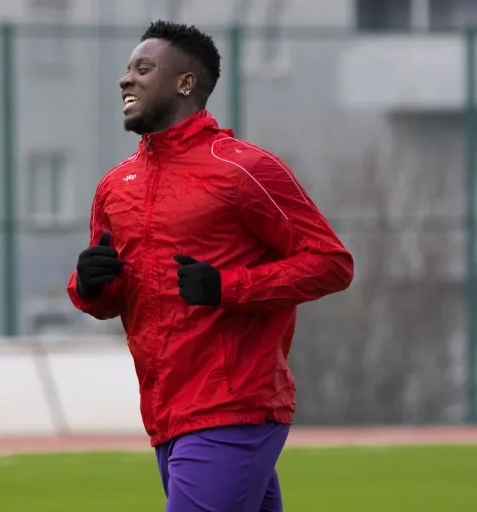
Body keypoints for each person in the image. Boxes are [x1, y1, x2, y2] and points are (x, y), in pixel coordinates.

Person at [66, 20, 354, 512]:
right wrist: (89, 287)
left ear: (185, 83)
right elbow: (115, 298)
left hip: (233, 406)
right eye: (127, 69)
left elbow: (331, 263)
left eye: (143, 69)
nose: (125, 79)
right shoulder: (115, 186)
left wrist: (227, 286)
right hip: (166, 413)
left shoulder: (245, 168)